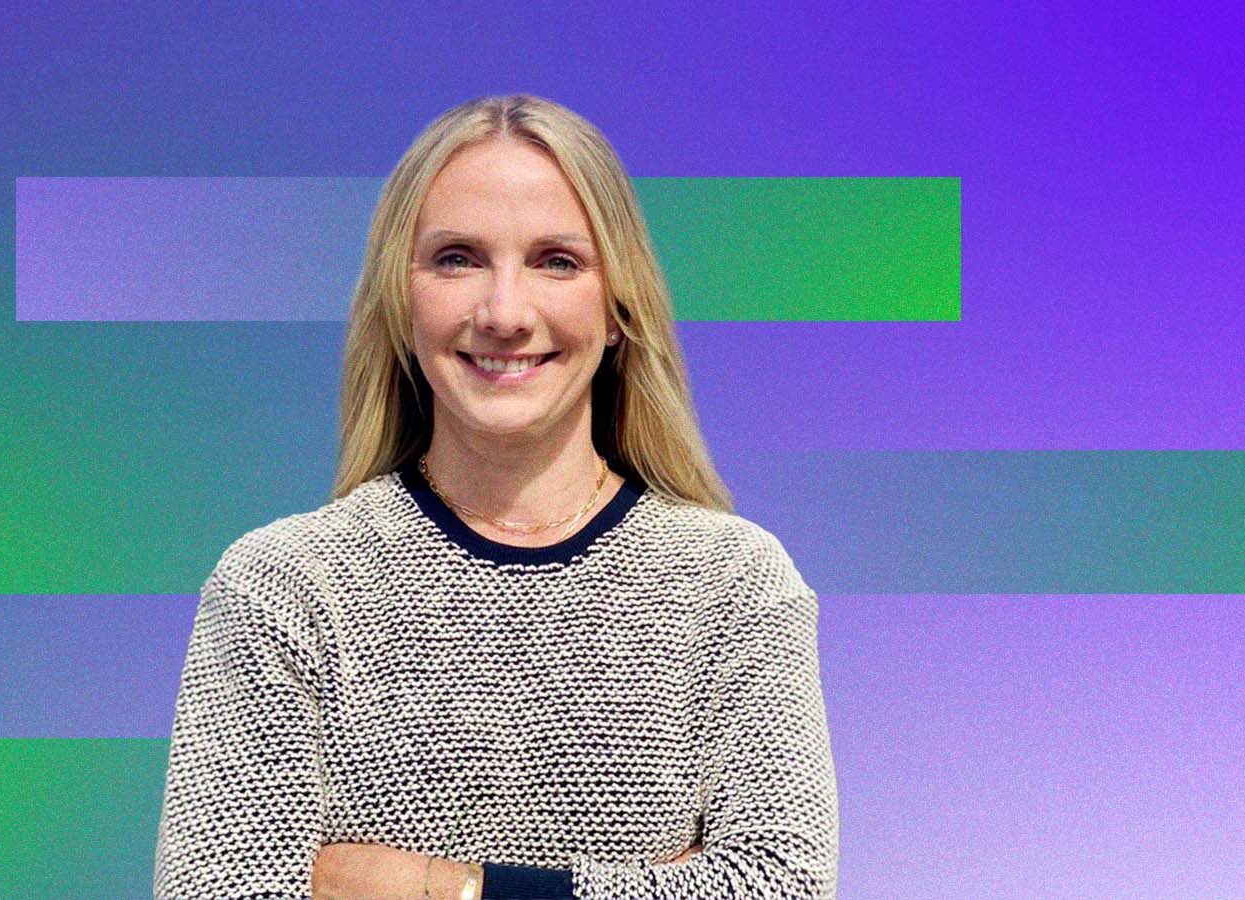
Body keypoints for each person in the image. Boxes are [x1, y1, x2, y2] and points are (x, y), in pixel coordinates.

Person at [153, 93, 839, 900]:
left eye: (557, 261)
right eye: (457, 259)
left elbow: (780, 885)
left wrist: (434, 887)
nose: (505, 313)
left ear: (617, 309)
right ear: (400, 301)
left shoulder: (734, 584)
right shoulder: (284, 587)